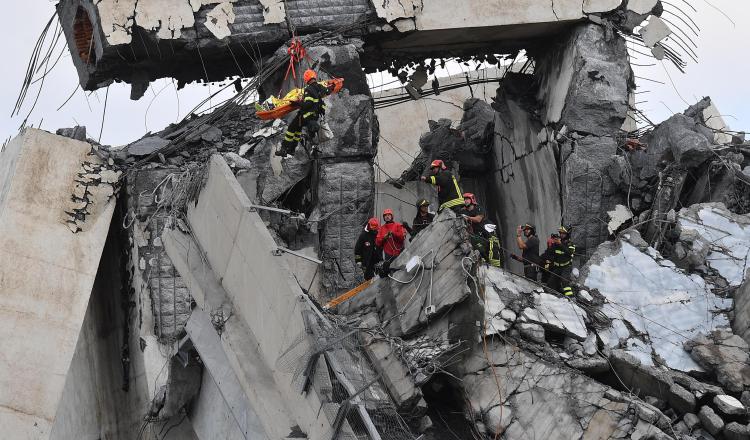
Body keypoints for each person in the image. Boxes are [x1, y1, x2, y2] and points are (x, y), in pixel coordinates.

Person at [277, 69, 331, 157]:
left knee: (291, 129)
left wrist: (297, 103)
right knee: (297, 130)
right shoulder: (320, 87)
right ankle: (291, 150)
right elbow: (326, 92)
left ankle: (284, 149)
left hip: (306, 116)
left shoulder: (308, 89)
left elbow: (308, 104)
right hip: (314, 116)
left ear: (306, 79)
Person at [541, 225, 576, 297]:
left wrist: (560, 244)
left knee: (565, 282)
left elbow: (569, 253)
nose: (561, 235)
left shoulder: (570, 244)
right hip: (557, 268)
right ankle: (555, 298)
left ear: (567, 234)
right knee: (550, 283)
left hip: (566, 267)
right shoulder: (556, 243)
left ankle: (571, 298)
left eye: (563, 233)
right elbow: (548, 252)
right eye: (561, 233)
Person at [375, 209, 407, 275]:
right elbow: (377, 242)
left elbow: (402, 237)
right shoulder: (381, 229)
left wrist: (393, 234)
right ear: (384, 217)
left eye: (389, 215)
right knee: (390, 272)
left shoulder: (398, 225)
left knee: (402, 270)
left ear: (392, 216)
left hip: (399, 252)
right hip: (388, 254)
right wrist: (384, 238)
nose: (387, 216)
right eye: (385, 215)